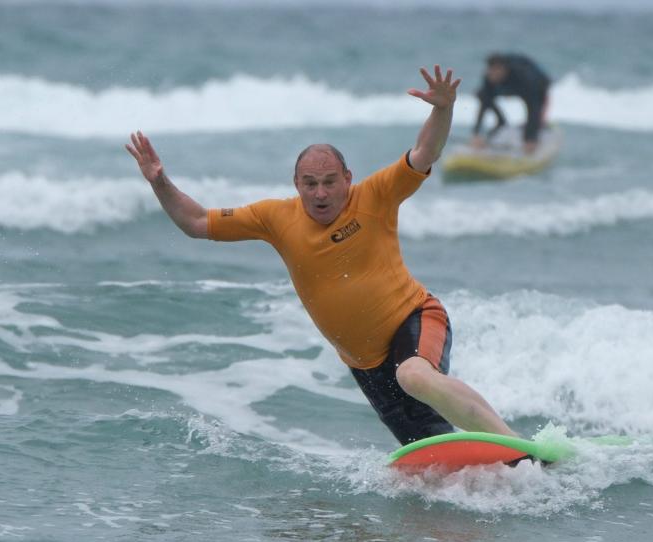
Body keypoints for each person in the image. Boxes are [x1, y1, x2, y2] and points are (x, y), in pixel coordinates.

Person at [126, 65, 517, 446]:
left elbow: (424, 151)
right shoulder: (276, 217)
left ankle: (515, 444)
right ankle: (512, 474)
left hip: (415, 320)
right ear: (296, 184)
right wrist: (159, 180)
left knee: (414, 375)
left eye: (330, 182)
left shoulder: (374, 197)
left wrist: (443, 108)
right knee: (433, 461)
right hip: (366, 365)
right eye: (310, 184)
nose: (320, 194)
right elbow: (195, 222)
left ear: (347, 178)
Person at [471, 53, 551, 154]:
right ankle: (501, 122)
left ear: (504, 69)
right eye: (491, 71)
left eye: (496, 71)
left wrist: (530, 138)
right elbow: (484, 105)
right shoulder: (489, 77)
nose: (493, 75)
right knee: (482, 95)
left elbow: (533, 105)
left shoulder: (521, 75)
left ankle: (535, 135)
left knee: (535, 105)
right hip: (512, 86)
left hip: (538, 84)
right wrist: (476, 133)